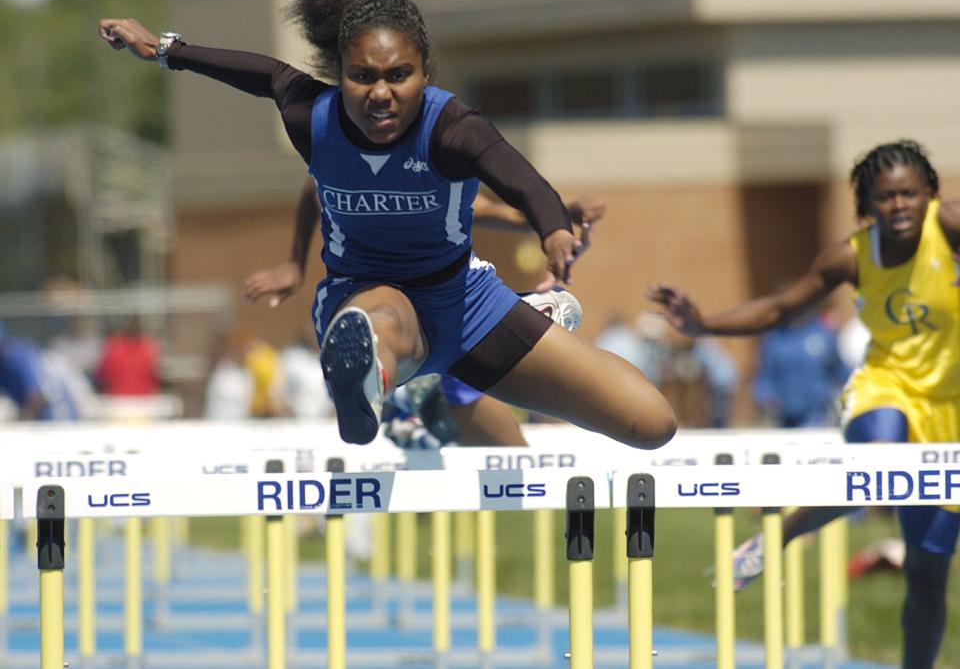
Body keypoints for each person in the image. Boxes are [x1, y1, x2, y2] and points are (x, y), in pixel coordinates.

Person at [98, 0, 675, 452]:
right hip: (366, 296)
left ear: (425, 73)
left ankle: (438, 367)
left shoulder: (452, 129)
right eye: (362, 76)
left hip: (466, 303)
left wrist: (552, 229)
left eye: (398, 75)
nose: (380, 93)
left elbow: (523, 182)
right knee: (385, 321)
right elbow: (264, 74)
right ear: (340, 75)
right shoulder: (313, 116)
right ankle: (375, 375)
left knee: (651, 425)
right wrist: (164, 50)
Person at [650, 140, 960, 669]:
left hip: (948, 407)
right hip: (884, 387)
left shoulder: (949, 228)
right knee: (880, 459)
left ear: (930, 194)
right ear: (867, 203)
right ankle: (782, 536)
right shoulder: (852, 256)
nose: (900, 206)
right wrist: (703, 324)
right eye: (886, 197)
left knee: (928, 577)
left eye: (910, 194)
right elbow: (777, 309)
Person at [243, 175, 602, 447]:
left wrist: (557, 219)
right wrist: (294, 263)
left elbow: (499, 211)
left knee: (511, 450)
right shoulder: (347, 165)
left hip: (445, 309)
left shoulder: (436, 174)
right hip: (377, 309)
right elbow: (314, 187)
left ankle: (425, 401)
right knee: (387, 341)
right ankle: (405, 397)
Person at [752, 312, 850, 427]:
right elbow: (765, 377)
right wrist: (766, 397)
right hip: (784, 416)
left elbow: (841, 371)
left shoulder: (823, 335)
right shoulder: (775, 339)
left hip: (818, 414)